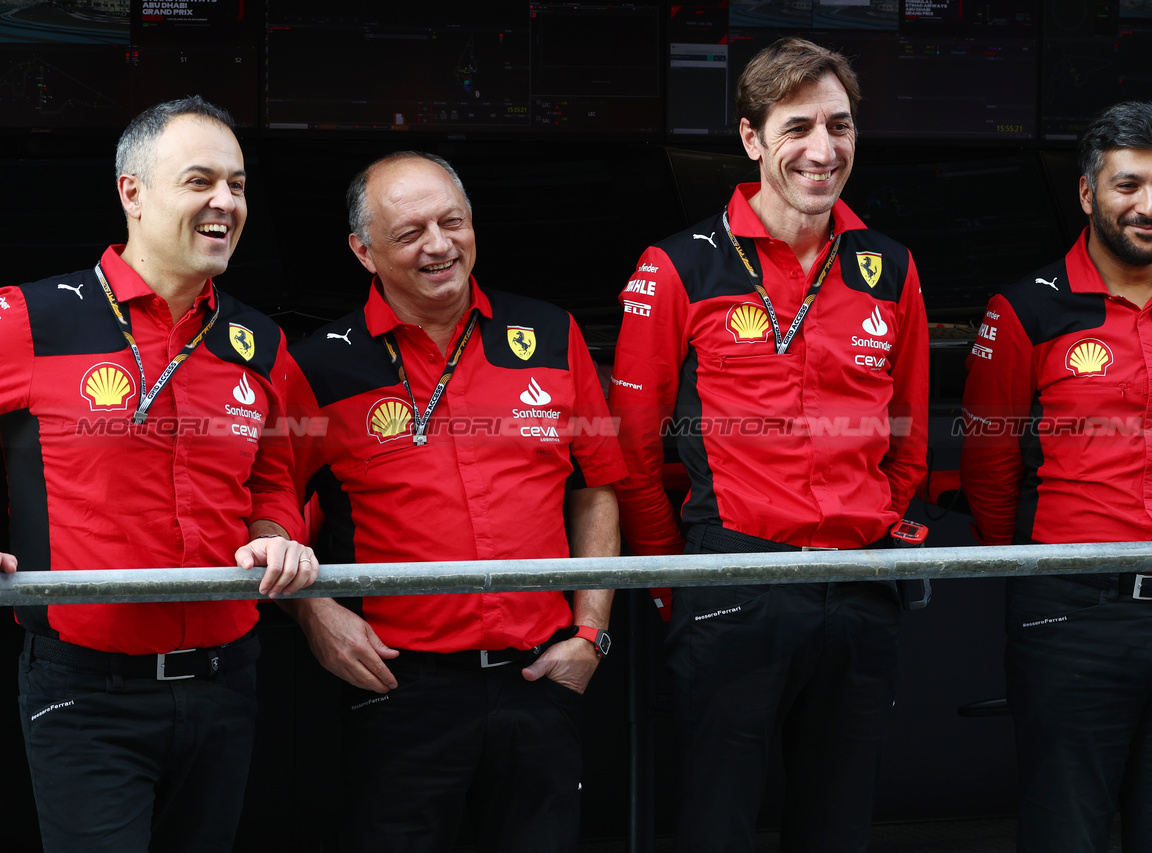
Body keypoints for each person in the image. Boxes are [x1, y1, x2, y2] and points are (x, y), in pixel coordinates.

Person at [608, 37, 929, 853]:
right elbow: (632, 454)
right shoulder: (679, 266)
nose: (823, 152)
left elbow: (911, 438)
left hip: (859, 585)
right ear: (752, 138)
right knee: (718, 822)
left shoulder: (890, 269)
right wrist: (673, 581)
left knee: (840, 826)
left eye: (840, 126)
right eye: (797, 128)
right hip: (734, 579)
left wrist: (874, 532)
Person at [282, 151, 627, 853]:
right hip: (399, 688)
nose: (439, 245)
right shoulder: (317, 366)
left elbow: (595, 486)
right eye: (410, 232)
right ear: (364, 250)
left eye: (453, 222)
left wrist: (592, 634)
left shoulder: (552, 337)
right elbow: (269, 510)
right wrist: (316, 615)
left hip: (540, 680)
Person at [0, 96, 317, 852]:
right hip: (84, 690)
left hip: (225, 682)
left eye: (237, 185)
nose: (226, 202)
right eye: (200, 180)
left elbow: (276, 481)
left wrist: (278, 534)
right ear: (131, 192)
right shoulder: (29, 318)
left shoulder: (259, 342)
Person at [960, 101, 1152, 852]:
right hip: (1074, 613)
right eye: (1128, 184)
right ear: (1087, 193)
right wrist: (1036, 570)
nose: (1149, 205)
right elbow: (990, 465)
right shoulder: (1027, 307)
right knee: (1067, 828)